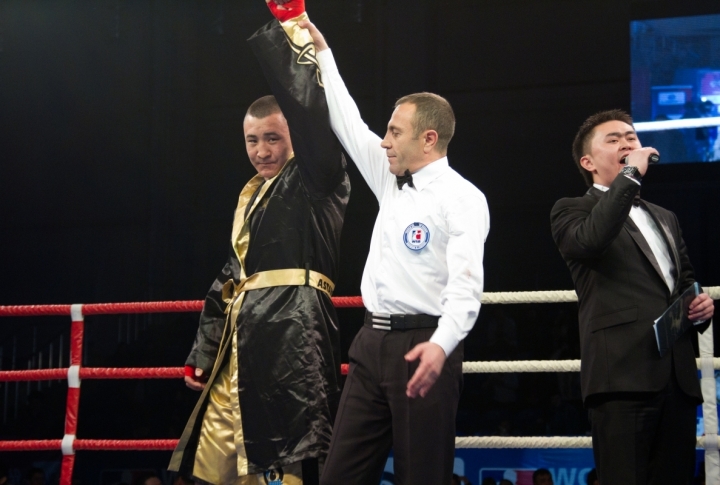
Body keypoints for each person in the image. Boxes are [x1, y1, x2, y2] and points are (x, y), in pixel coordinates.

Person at [302, 15, 490, 485]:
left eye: (394, 132)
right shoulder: (390, 176)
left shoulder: (463, 198)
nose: (383, 140)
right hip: (370, 344)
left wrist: (442, 346)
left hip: (425, 343)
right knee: (338, 477)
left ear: (429, 139)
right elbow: (346, 119)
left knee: (422, 477)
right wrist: (322, 51)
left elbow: (467, 288)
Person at [168, 1, 350, 483]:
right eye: (252, 141)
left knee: (286, 458)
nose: (262, 150)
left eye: (272, 138)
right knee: (214, 460)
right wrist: (204, 350)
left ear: (294, 136)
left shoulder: (317, 176)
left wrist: (291, 29)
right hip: (240, 340)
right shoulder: (252, 197)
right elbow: (231, 276)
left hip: (294, 330)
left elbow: (312, 114)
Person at [550, 109, 715, 484]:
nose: (627, 142)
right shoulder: (571, 210)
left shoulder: (664, 216)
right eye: (613, 139)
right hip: (621, 375)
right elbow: (591, 240)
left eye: (631, 137)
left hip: (676, 376)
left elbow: (684, 280)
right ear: (588, 162)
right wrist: (629, 175)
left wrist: (700, 306)